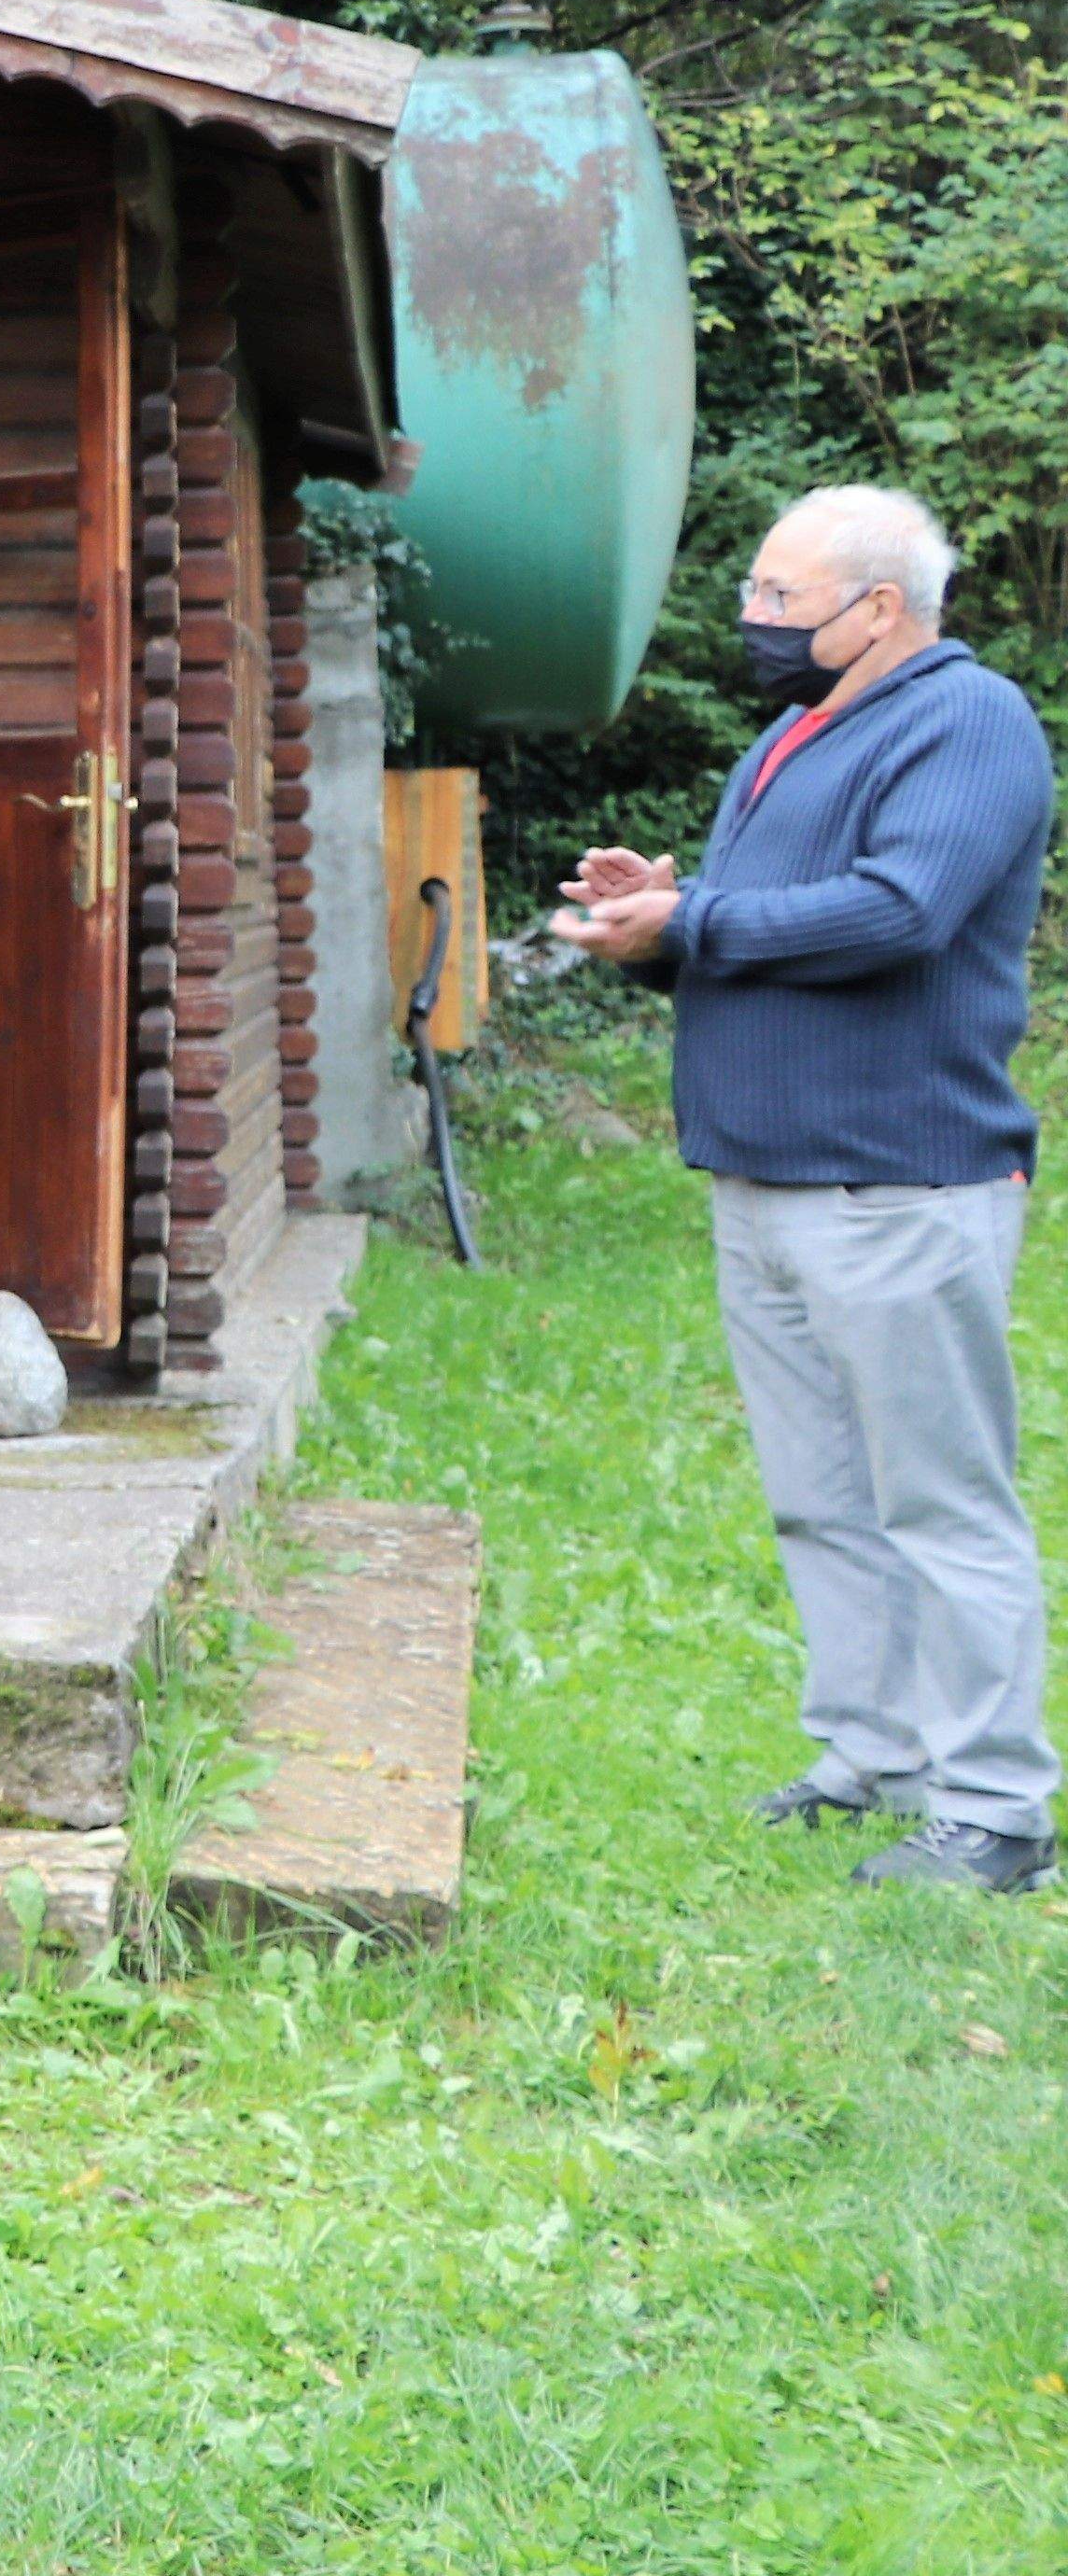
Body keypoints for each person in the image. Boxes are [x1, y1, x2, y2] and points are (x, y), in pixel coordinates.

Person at [552, 483, 1059, 1895]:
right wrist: (656, 923)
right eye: (754, 594)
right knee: (822, 1498)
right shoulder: (794, 734)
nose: (753, 619)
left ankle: (998, 1809)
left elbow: (901, 912)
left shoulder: (969, 722)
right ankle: (876, 1756)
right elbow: (757, 939)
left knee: (941, 1503)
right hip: (766, 1180)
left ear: (880, 609)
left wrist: (697, 915)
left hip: (896, 1182)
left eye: (780, 598)